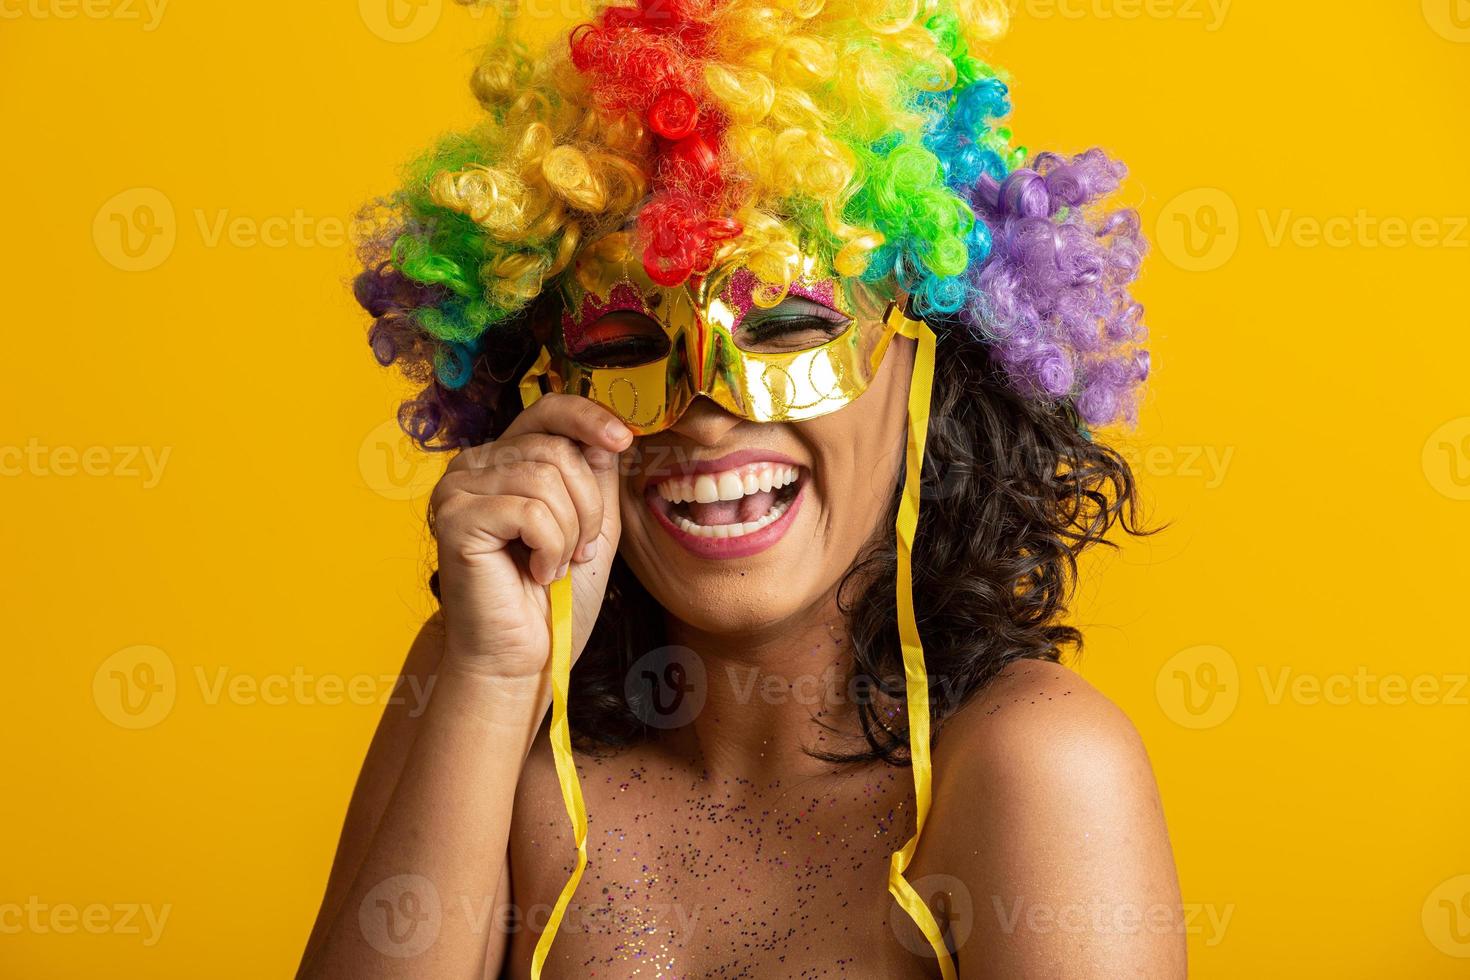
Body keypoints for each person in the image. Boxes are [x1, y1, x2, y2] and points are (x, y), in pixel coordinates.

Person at [301, 0, 1183, 975]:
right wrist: (490, 680)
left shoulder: (1034, 768)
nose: (706, 409)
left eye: (788, 326)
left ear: (932, 356)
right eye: (626, 343)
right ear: (541, 384)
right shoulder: (488, 698)